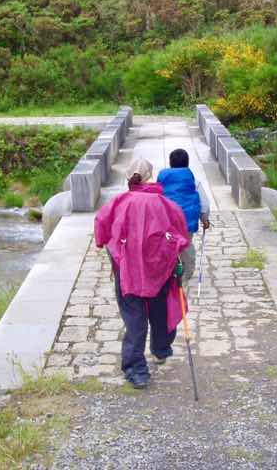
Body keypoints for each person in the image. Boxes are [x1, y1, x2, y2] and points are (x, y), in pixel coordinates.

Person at [94, 158, 190, 389]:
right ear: (150, 176)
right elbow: (181, 234)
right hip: (160, 271)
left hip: (129, 273)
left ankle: (136, 369)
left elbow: (101, 229)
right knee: (161, 312)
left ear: (129, 177)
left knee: (135, 321)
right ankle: (161, 348)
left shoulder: (119, 202)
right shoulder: (165, 203)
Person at [156, 148, 210, 286]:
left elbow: (156, 197)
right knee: (186, 244)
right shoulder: (193, 180)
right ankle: (187, 270)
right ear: (187, 163)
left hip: (167, 220)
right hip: (187, 220)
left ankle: (168, 270)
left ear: (170, 163)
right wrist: (204, 217)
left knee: (168, 244)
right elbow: (203, 201)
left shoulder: (162, 178)